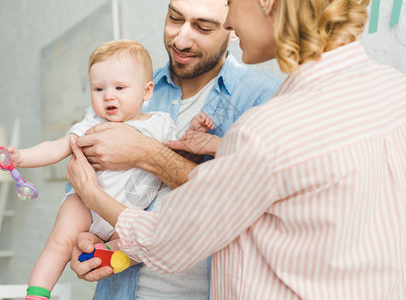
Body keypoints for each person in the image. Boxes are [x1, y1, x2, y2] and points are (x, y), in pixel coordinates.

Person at [67, 0, 406, 299]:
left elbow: (171, 238)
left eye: (231, 3)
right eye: (175, 17)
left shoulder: (268, 126)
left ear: (268, 2)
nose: (230, 22)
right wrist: (84, 233)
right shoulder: (395, 90)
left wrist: (97, 187)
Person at [68, 0, 281, 299]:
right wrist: (85, 237)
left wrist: (146, 153)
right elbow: (84, 184)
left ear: (232, 27)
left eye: (203, 26)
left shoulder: (264, 97)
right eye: (174, 18)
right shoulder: (125, 89)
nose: (181, 39)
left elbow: (244, 207)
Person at [0, 40, 181, 300]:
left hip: (124, 214)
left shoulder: (162, 125)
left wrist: (198, 131)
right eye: (98, 88)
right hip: (83, 204)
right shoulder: (92, 122)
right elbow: (57, 148)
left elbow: (178, 158)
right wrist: (20, 157)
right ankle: (37, 294)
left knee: (139, 245)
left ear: (147, 91)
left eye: (120, 87)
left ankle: (109, 254)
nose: (108, 95)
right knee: (59, 243)